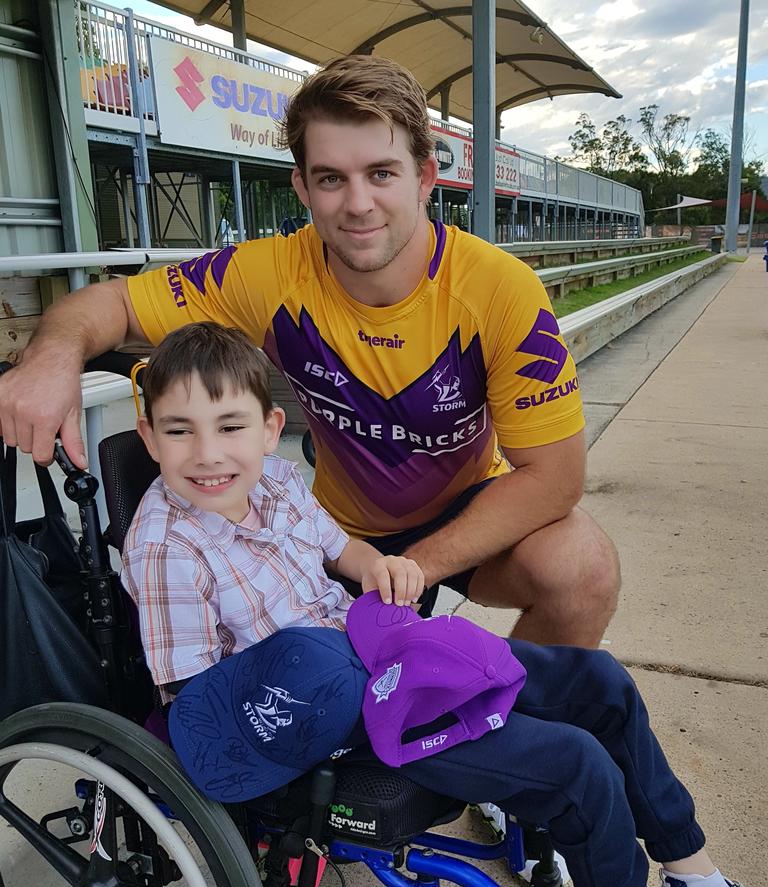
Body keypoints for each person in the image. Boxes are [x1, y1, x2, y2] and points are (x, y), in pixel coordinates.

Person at [124, 325, 765, 887]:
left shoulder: (275, 480)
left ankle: (690, 878)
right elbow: (192, 702)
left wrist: (379, 568)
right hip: (331, 717)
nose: (209, 454)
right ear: (149, 436)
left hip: (386, 648)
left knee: (600, 683)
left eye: (230, 426)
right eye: (180, 431)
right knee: (576, 766)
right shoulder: (165, 547)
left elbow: (340, 548)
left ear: (271, 427)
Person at [0, 54, 619, 647]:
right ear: (301, 185)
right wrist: (52, 358)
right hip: (336, 530)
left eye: (381, 173)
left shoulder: (502, 290)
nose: (357, 204)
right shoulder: (266, 273)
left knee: (583, 569)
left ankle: (517, 737)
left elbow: (555, 479)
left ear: (426, 176)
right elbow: (110, 305)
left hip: (465, 515)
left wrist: (412, 567)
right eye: (331, 179)